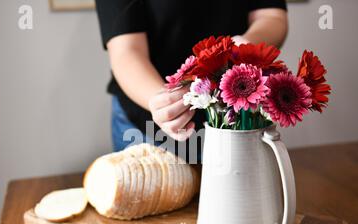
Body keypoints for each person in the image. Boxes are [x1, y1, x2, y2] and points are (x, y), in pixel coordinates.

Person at [95, 0, 288, 155]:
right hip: (150, 121)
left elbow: (272, 16)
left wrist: (246, 46)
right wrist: (164, 103)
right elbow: (127, 50)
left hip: (236, 117)